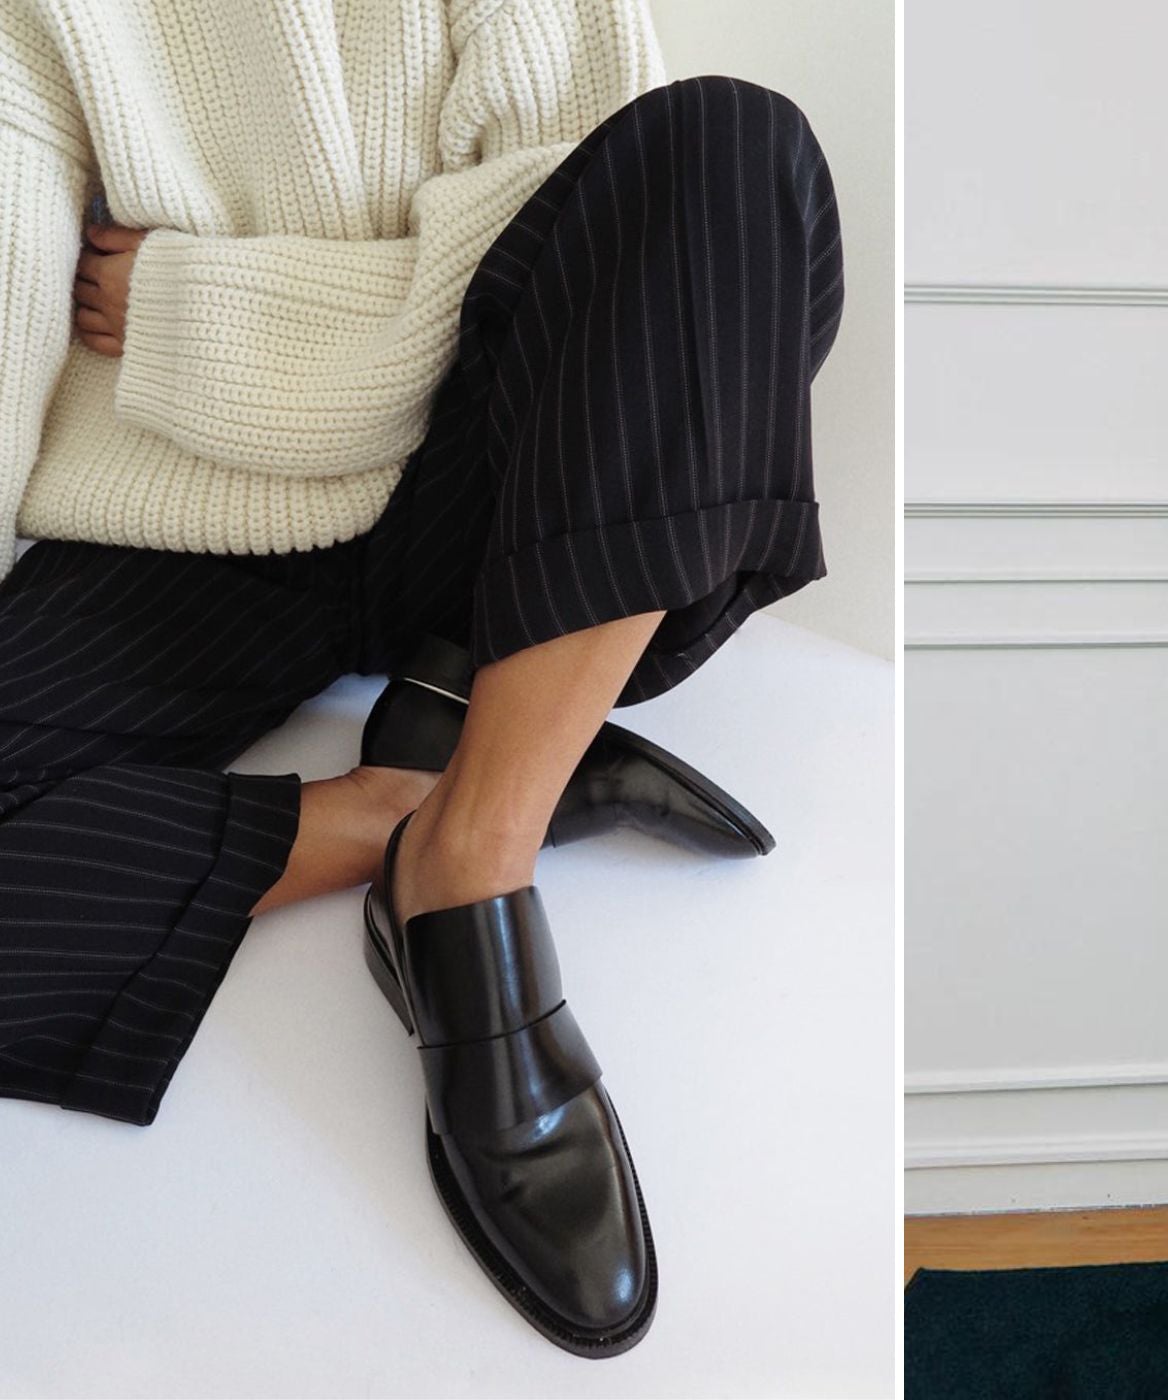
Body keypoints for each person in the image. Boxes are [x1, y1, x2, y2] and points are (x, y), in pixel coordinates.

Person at [0, 0, 843, 1360]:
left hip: (493, 524)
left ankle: (474, 858)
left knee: (734, 153)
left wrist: (197, 305)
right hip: (176, 522)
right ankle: (407, 804)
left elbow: (612, 216)